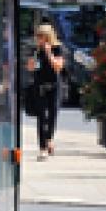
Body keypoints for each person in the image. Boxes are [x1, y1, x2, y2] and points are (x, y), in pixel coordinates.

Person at [30, 22, 64, 159]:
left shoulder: (57, 48)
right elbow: (31, 68)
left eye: (42, 36)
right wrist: (32, 62)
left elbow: (58, 67)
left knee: (52, 116)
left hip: (54, 86)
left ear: (49, 37)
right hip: (40, 87)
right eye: (38, 36)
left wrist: (49, 54)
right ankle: (43, 147)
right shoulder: (36, 50)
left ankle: (49, 139)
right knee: (41, 116)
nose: (39, 39)